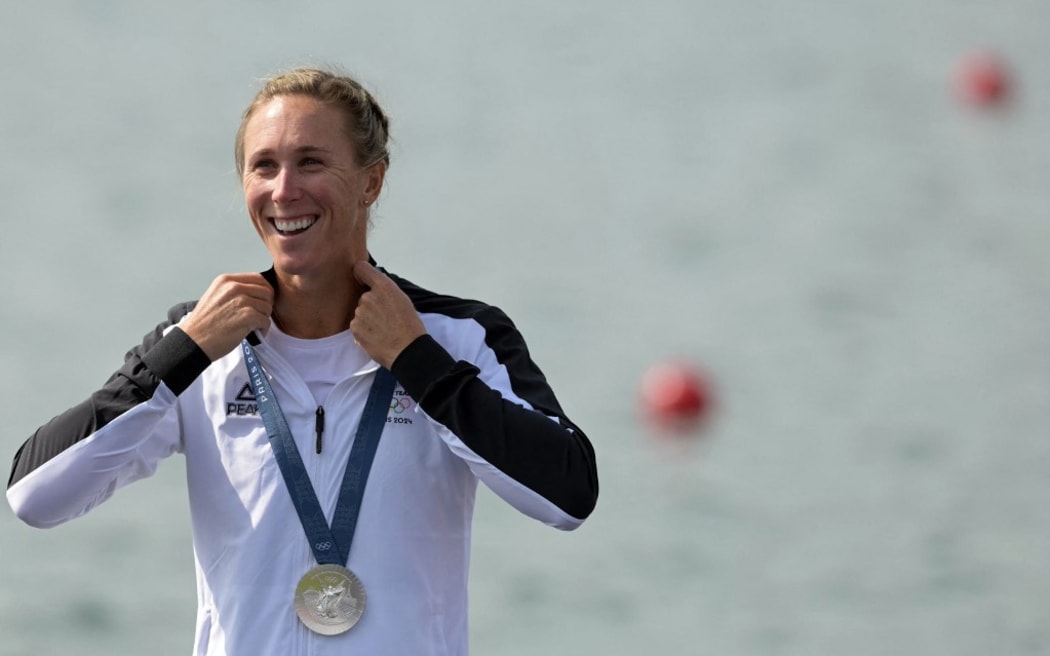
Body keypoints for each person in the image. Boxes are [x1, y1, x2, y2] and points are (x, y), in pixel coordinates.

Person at [6, 66, 598, 655]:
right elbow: (33, 497)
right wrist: (181, 355)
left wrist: (418, 363)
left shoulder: (454, 335)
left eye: (311, 162)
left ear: (372, 181)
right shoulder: (199, 342)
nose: (284, 190)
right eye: (263, 165)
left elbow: (568, 496)